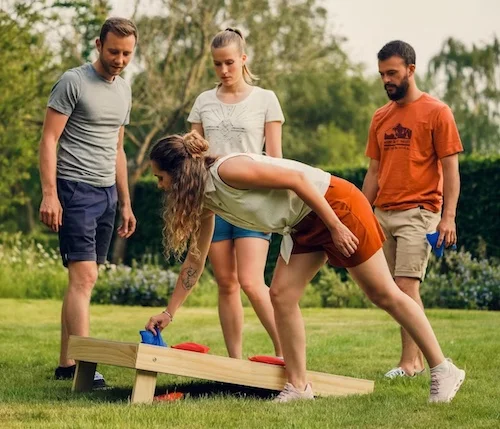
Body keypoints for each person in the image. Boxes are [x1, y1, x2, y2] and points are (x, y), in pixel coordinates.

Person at [144, 130, 465, 404]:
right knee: (281, 295)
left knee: (384, 294)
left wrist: (336, 226)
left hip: (334, 205)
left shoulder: (228, 171)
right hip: (302, 223)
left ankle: (442, 368)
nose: (159, 185)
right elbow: (196, 259)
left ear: (181, 172)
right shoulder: (205, 199)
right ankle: (298, 386)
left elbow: (298, 179)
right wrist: (169, 312)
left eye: (161, 177)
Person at [39, 17, 138, 386]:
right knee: (85, 277)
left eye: (127, 53)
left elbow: (118, 147)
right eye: (113, 51)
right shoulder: (73, 82)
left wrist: (126, 202)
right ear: (98, 44)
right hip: (75, 189)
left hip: (107, 193)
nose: (119, 59)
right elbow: (49, 139)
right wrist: (50, 194)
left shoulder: (124, 89)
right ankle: (87, 369)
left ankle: (67, 365)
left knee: (83, 282)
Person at [362, 40, 463, 379]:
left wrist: (447, 217)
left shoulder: (437, 112)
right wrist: (361, 214)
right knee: (388, 291)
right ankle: (416, 362)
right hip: (383, 213)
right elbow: (374, 172)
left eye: (392, 73)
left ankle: (413, 362)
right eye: (382, 75)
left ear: (411, 69)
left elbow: (451, 169)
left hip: (420, 212)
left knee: (405, 287)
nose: (387, 80)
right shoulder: (380, 117)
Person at [187, 28, 284, 359]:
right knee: (226, 284)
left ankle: (287, 354)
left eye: (229, 62)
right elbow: (191, 154)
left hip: (252, 201)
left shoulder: (265, 99)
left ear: (244, 59)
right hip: (213, 202)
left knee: (252, 282)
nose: (224, 70)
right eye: (217, 64)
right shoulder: (203, 101)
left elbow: (275, 157)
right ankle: (235, 362)